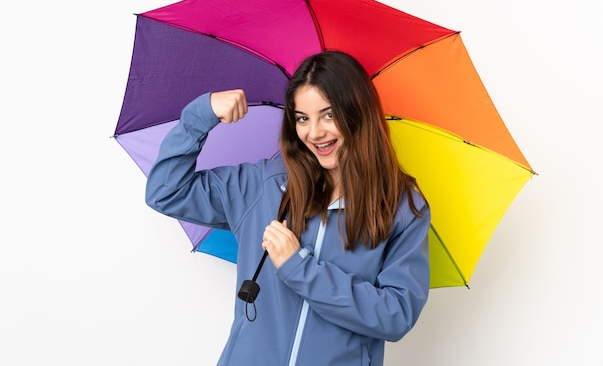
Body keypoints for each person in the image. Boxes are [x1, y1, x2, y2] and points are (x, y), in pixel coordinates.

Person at [145, 51, 431, 366]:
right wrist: (201, 115)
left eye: (329, 114)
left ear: (358, 112)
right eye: (302, 118)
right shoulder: (262, 184)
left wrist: (298, 266)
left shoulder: (402, 206)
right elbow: (165, 191)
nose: (315, 132)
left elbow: (395, 316)